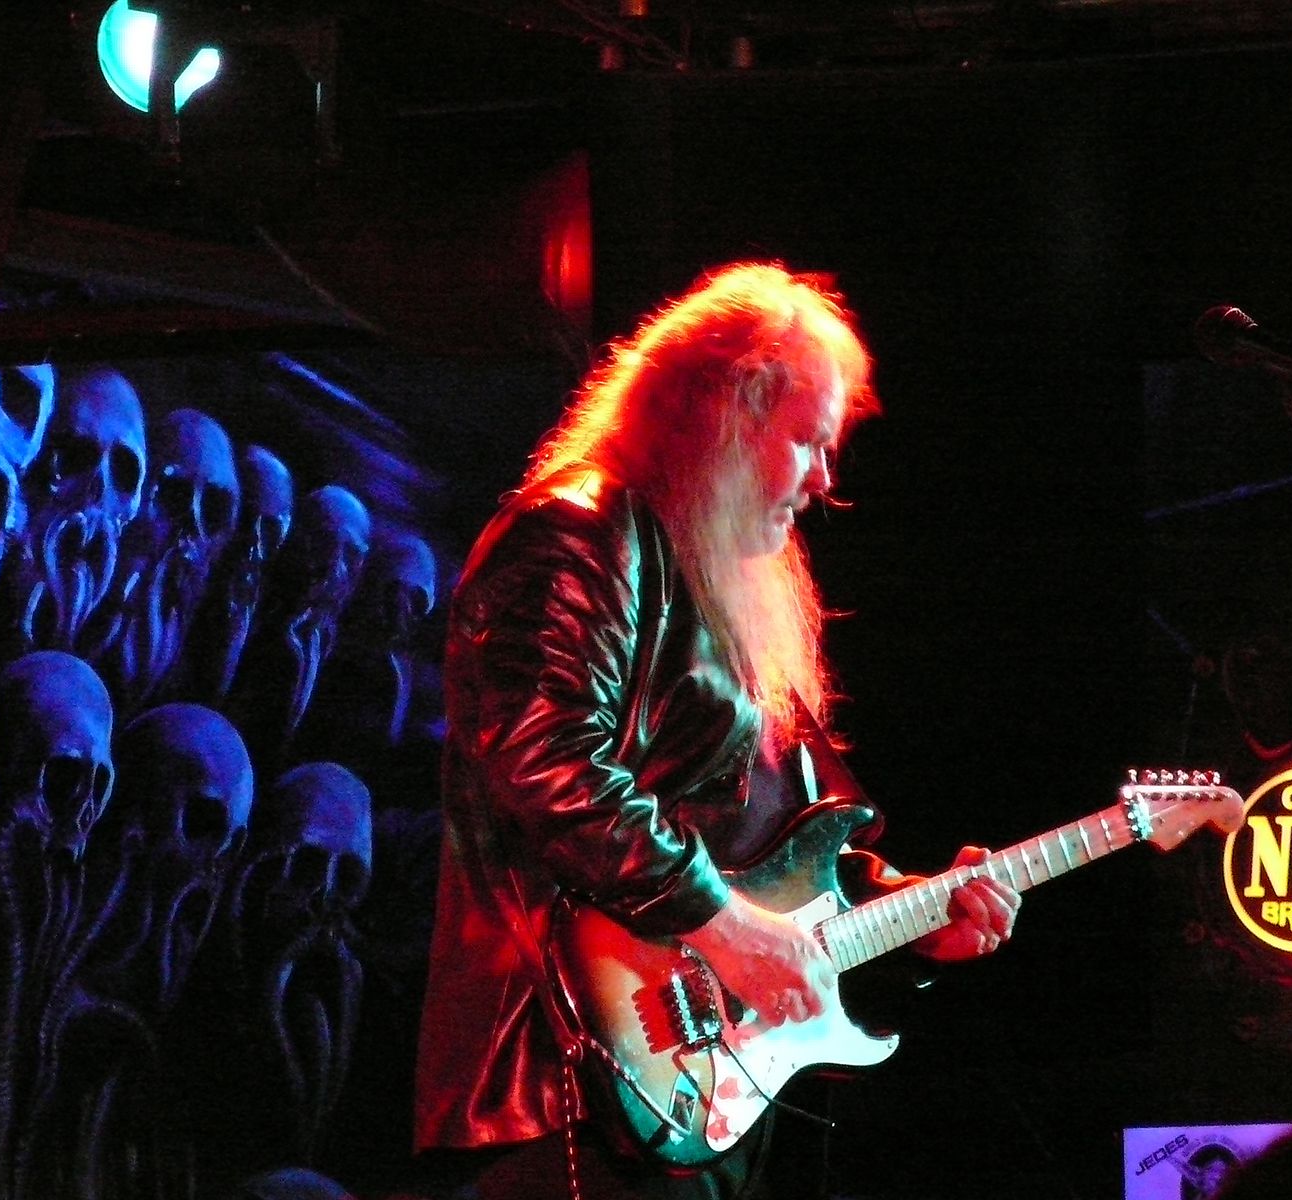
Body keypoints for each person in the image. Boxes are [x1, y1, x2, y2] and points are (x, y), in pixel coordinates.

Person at [411, 262, 1021, 1199]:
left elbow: (787, 852)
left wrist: (914, 918)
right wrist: (725, 926)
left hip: (703, 1099)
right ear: (727, 414)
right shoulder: (581, 530)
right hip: (570, 1078)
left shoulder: (719, 579)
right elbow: (546, 758)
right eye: (807, 441)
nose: (825, 480)